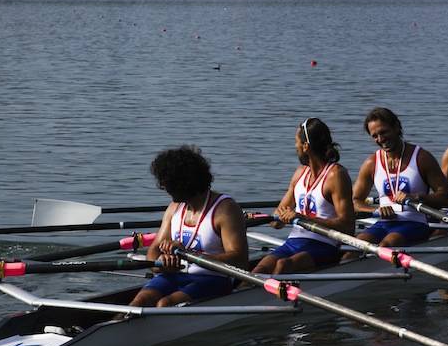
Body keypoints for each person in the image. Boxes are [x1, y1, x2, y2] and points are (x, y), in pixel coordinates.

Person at [129, 145, 248, 308]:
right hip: (175, 276)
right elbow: (153, 251)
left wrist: (186, 254)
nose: (165, 188)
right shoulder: (174, 208)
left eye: (168, 184)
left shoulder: (225, 209)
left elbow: (240, 260)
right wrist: (160, 264)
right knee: (138, 302)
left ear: (185, 182)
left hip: (212, 279)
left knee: (165, 303)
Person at [252, 118, 354, 275]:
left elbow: (348, 226)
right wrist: (261, 218)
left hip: (324, 245)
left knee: (283, 265)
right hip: (293, 242)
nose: (295, 147)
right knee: (258, 270)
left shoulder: (336, 175)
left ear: (306, 146)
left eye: (296, 142)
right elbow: (276, 223)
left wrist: (302, 218)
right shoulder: (299, 173)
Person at [351, 107, 448, 248]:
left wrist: (416, 197)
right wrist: (375, 210)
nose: (380, 139)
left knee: (387, 244)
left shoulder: (422, 158)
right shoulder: (371, 163)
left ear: (396, 127)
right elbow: (355, 202)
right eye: (375, 136)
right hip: (383, 223)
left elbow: (446, 198)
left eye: (383, 132)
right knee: (355, 245)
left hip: (414, 223)